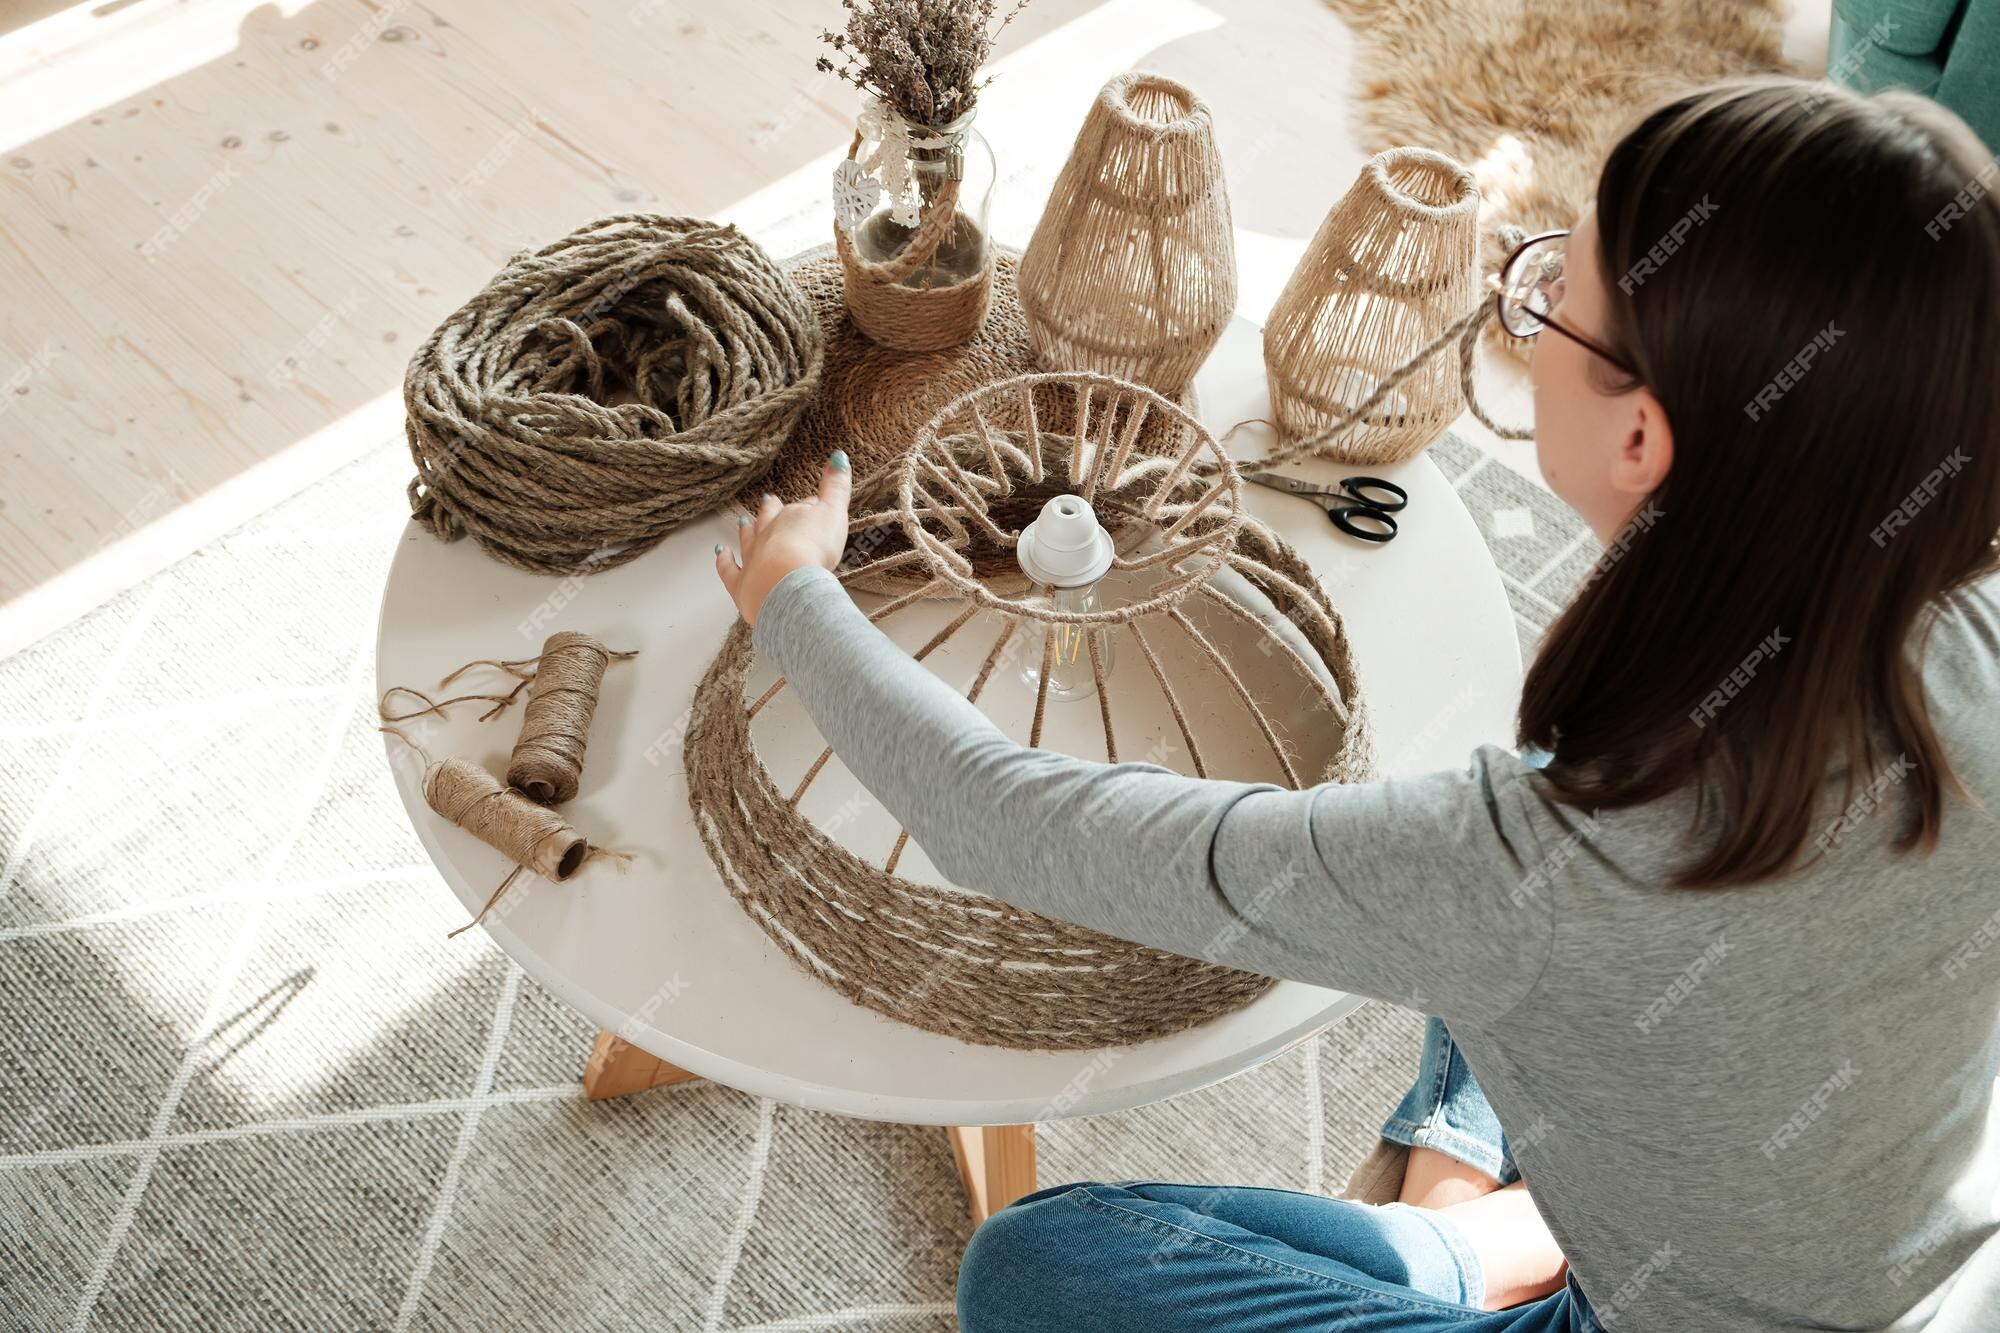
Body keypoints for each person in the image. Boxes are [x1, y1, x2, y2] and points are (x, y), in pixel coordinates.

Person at [712, 76, 2000, 1331]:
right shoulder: (1969, 629)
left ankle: (1473, 1240)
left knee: (1040, 1268)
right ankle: (1494, 1223)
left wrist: (795, 599)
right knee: (1542, 798)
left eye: (1553, 292)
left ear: (1641, 442)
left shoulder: (1536, 858)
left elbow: (1006, 825)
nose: (1529, 312)